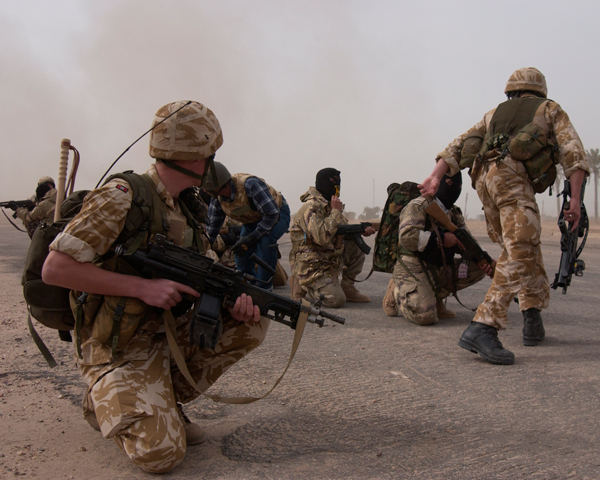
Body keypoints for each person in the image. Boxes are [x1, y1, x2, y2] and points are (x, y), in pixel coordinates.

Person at [41, 101, 270, 473]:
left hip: (162, 334)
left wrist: (232, 304)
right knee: (162, 455)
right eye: (209, 152)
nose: (212, 161)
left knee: (253, 321)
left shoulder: (188, 207)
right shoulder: (123, 196)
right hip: (117, 343)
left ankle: (159, 400)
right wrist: (140, 288)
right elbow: (55, 268)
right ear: (194, 156)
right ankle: (105, 399)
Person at [419, 67, 590, 365]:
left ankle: (532, 315)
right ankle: (484, 326)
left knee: (522, 245)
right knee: (520, 249)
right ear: (540, 91)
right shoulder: (549, 109)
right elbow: (573, 154)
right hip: (512, 178)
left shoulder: (494, 113)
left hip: (484, 181)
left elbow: (458, 145)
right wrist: (574, 200)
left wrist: (435, 176)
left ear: (512, 91)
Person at [382, 172, 493, 324]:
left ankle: (434, 298)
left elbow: (467, 241)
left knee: (479, 266)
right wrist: (440, 238)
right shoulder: (419, 205)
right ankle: (397, 290)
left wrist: (484, 259)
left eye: (459, 185)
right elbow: (407, 237)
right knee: (425, 316)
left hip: (439, 267)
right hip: (413, 266)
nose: (455, 188)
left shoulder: (454, 213)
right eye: (449, 183)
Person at [289, 168, 375, 308]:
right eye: (333, 181)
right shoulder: (311, 207)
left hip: (328, 258)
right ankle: (302, 285)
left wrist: (361, 231)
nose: (337, 186)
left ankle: (347, 288)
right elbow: (321, 238)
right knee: (336, 300)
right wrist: (336, 211)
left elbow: (341, 229)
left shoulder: (329, 205)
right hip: (312, 262)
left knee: (356, 244)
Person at [203, 162, 291, 291]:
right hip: (252, 219)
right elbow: (212, 229)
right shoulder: (217, 199)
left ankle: (264, 288)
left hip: (277, 213)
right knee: (240, 250)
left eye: (207, 187)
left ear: (218, 185)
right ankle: (247, 285)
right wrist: (204, 247)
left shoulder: (250, 185)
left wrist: (252, 237)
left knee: (266, 241)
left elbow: (272, 214)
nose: (204, 190)